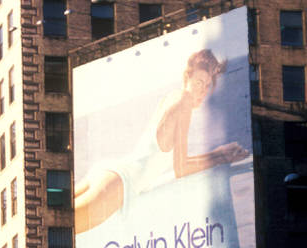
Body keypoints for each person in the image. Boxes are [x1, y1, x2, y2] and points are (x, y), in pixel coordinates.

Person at [74, 48, 249, 235]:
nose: (202, 91)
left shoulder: (172, 97)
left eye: (207, 85)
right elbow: (180, 168)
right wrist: (221, 157)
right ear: (186, 78)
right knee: (54, 227)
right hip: (119, 184)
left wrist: (219, 152)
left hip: (109, 173)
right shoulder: (184, 102)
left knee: (50, 216)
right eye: (198, 82)